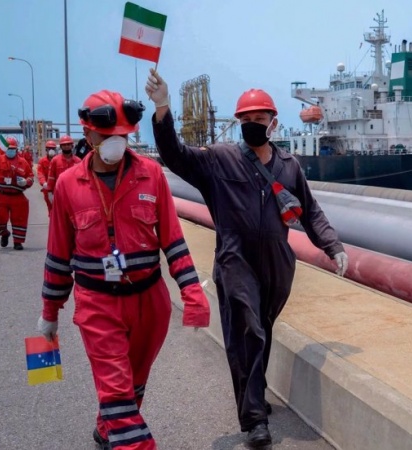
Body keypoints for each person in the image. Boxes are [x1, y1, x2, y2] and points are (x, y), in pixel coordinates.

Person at [146, 69, 348, 448]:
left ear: (273, 123)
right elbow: (175, 155)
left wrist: (332, 245)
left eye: (259, 118)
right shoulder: (219, 160)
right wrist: (162, 109)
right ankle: (255, 419)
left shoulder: (289, 166)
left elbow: (310, 211)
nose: (252, 124)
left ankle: (254, 392)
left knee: (262, 329)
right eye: (246, 119)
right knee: (248, 331)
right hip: (235, 259)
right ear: (239, 123)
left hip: (277, 264)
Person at [36, 89, 210, 450]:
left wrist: (192, 292)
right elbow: (58, 255)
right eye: (107, 135)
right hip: (98, 304)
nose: (116, 143)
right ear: (88, 134)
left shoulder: (151, 175)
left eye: (123, 135)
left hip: (150, 302)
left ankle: (108, 427)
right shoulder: (69, 185)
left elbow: (173, 240)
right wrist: (49, 312)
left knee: (134, 381)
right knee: (116, 387)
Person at [0, 136, 34, 250]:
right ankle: (4, 233)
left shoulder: (23, 162)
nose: (11, 151)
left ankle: (18, 242)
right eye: (9, 149)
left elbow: (31, 177)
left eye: (13, 149)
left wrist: (26, 182)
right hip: (2, 195)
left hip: (17, 195)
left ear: (16, 149)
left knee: (19, 218)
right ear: (5, 149)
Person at [36, 140, 56, 214]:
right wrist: (44, 183)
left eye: (53, 149)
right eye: (49, 148)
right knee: (51, 209)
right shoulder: (42, 161)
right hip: (47, 188)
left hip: (58, 188)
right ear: (46, 149)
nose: (51, 150)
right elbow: (40, 173)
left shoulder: (59, 160)